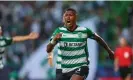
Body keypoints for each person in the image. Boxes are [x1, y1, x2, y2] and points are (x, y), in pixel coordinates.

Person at [46, 8, 114, 80]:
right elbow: (48, 49)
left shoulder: (84, 31)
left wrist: (109, 51)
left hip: (80, 66)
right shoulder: (59, 31)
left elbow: (98, 38)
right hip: (62, 68)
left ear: (75, 17)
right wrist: (54, 40)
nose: (68, 17)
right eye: (66, 15)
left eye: (70, 15)